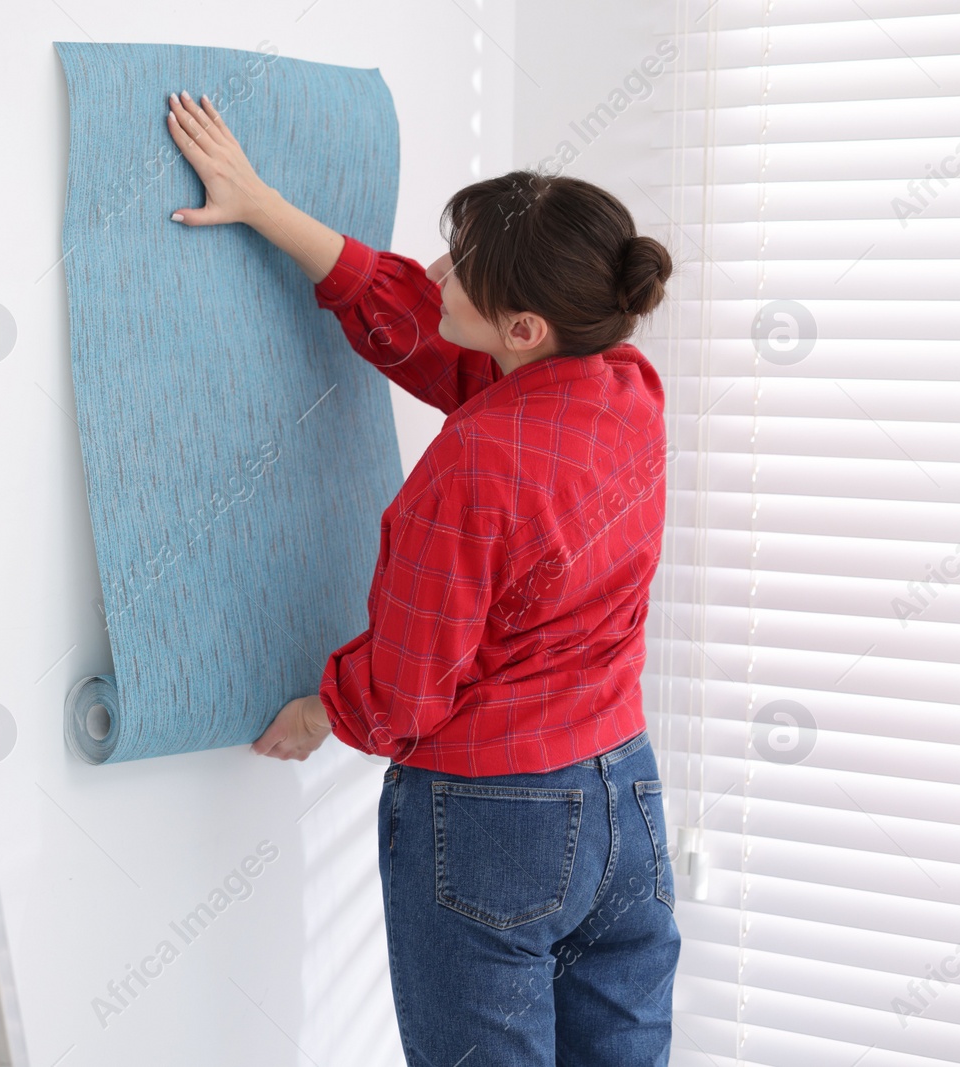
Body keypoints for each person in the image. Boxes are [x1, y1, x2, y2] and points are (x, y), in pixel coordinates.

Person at [164, 90, 681, 1066]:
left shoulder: (475, 464)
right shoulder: (622, 388)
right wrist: (263, 205)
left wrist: (327, 705)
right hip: (622, 797)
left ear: (522, 329)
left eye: (461, 268)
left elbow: (403, 696)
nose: (435, 272)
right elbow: (416, 320)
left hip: (497, 821)